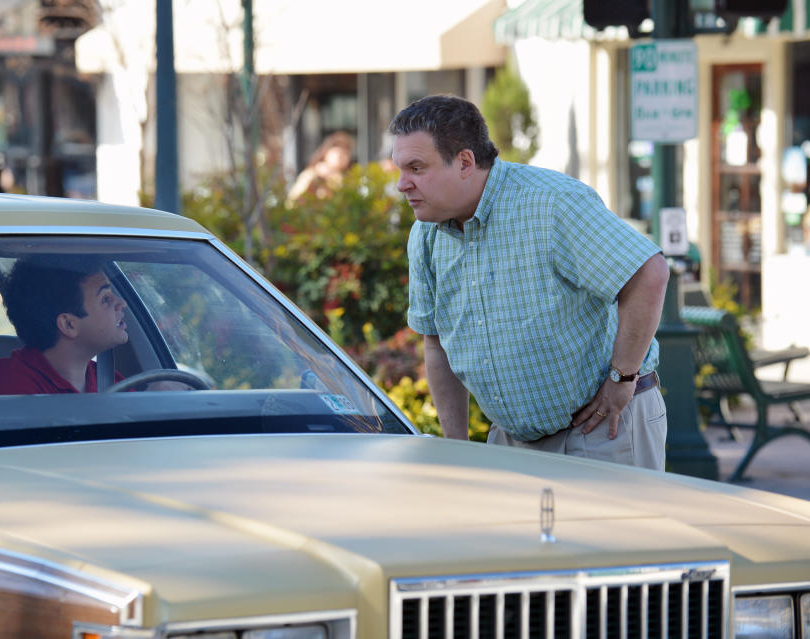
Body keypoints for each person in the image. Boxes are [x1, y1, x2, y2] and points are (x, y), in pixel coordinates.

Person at [390, 95, 670, 470]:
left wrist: (623, 379)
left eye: (416, 168)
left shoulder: (552, 203)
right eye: (400, 169)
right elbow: (437, 344)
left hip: (604, 430)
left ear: (464, 162)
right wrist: (456, 449)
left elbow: (649, 273)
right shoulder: (425, 236)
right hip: (510, 443)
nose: (401, 184)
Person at [0, 258, 168, 395]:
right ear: (68, 324)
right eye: (105, 299)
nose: (122, 303)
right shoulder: (9, 388)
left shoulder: (109, 382)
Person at [287, 131, 354, 202]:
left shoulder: (347, 178)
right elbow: (293, 200)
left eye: (346, 154)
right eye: (339, 155)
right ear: (326, 153)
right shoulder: (311, 174)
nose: (343, 159)